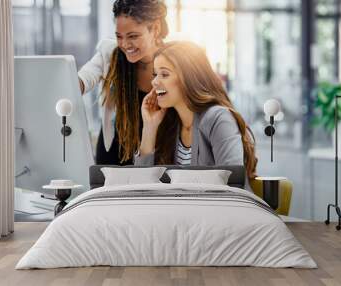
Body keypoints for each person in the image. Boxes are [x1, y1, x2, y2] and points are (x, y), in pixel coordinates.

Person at [135, 41, 258, 182]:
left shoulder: (218, 119)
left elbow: (233, 184)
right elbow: (141, 185)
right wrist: (149, 127)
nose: (154, 82)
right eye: (155, 74)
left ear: (189, 77)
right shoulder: (169, 125)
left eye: (164, 74)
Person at [78, 0, 168, 165]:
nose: (125, 44)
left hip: (155, 155)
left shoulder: (173, 61)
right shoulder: (110, 54)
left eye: (133, 36)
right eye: (119, 36)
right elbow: (86, 77)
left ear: (155, 29)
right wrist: (72, 86)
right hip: (113, 155)